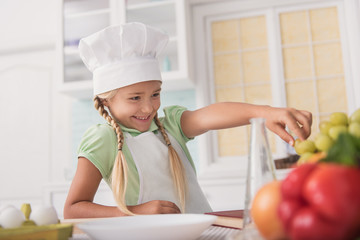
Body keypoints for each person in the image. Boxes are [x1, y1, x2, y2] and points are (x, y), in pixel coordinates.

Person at [63, 22, 312, 219]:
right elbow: (73, 209)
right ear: (107, 101)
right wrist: (136, 212)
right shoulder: (102, 139)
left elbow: (211, 114)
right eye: (135, 97)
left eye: (155, 94)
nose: (148, 107)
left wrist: (266, 112)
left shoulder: (170, 125)